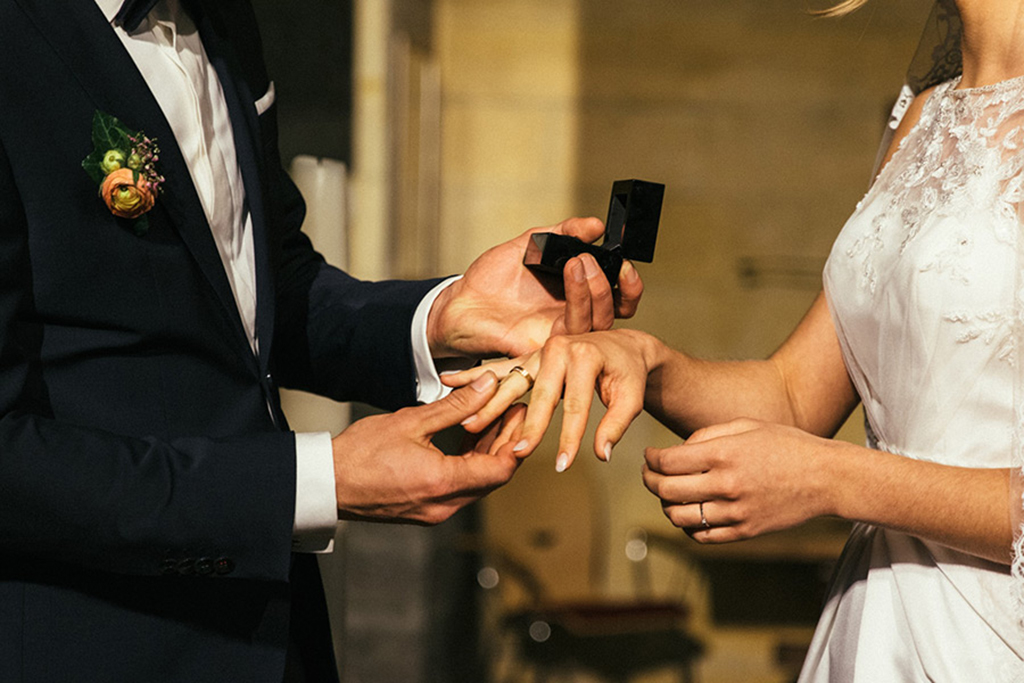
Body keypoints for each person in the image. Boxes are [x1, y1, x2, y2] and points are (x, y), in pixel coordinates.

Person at [0, 1, 644, 681]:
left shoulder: (226, 21)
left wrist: (441, 315)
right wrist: (313, 482)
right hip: (94, 643)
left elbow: (264, 293)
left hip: (281, 637)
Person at [447, 0, 1024, 678]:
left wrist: (833, 477)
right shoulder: (925, 117)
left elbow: (827, 461)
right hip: (870, 628)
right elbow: (792, 395)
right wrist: (647, 361)